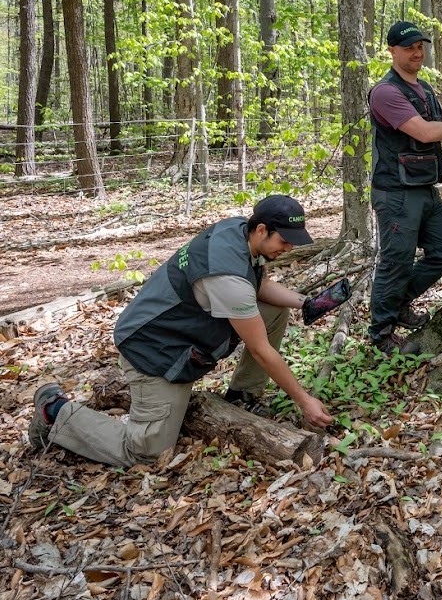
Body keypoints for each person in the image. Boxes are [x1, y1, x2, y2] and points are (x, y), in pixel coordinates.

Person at [29, 195, 335, 466]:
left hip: (176, 331)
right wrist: (303, 399)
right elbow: (260, 349)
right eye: (285, 240)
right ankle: (55, 411)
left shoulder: (237, 231)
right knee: (147, 451)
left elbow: (260, 285)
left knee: (272, 311)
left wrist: (305, 303)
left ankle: (243, 395)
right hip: (152, 348)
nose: (289, 247)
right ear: (261, 230)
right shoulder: (227, 276)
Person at [368, 20, 442, 354]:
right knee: (397, 260)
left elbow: (439, 119)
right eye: (409, 48)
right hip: (395, 192)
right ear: (392, 50)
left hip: (423, 188)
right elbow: (421, 131)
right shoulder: (386, 93)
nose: (416, 53)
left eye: (420, 47)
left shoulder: (422, 89)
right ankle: (381, 333)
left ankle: (399, 302)